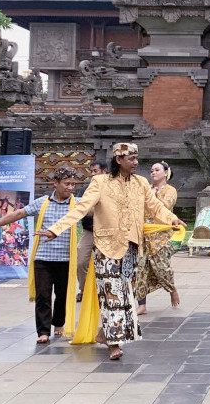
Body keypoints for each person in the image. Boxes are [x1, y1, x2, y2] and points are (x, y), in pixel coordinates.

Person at [35, 143, 185, 360]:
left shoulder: (140, 183)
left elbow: (155, 207)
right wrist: (55, 229)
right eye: (131, 159)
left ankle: (105, 333)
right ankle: (115, 343)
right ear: (118, 160)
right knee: (111, 296)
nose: (135, 163)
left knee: (125, 295)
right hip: (106, 248)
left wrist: (172, 218)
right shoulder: (100, 182)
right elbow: (81, 208)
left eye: (136, 158)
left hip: (132, 248)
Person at [0, 167, 79, 344]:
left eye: (73, 184)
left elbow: (96, 211)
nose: (70, 188)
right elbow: (19, 213)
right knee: (43, 295)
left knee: (63, 295)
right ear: (56, 183)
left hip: (66, 259)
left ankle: (59, 322)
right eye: (67, 184)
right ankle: (43, 331)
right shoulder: (43, 202)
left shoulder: (78, 204)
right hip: (43, 258)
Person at [136, 161, 180, 315]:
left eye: (157, 170)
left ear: (165, 173)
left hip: (160, 235)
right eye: (151, 170)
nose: (153, 172)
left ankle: (172, 289)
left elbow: (165, 206)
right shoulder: (146, 189)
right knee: (140, 269)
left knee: (162, 267)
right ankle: (142, 305)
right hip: (144, 233)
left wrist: (154, 196)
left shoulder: (170, 190)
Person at [76, 160, 108, 302]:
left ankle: (105, 292)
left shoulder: (112, 188)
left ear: (104, 171)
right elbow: (81, 209)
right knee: (81, 262)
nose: (93, 174)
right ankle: (84, 290)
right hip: (89, 231)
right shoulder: (85, 190)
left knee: (106, 264)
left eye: (96, 171)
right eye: (92, 171)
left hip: (107, 232)